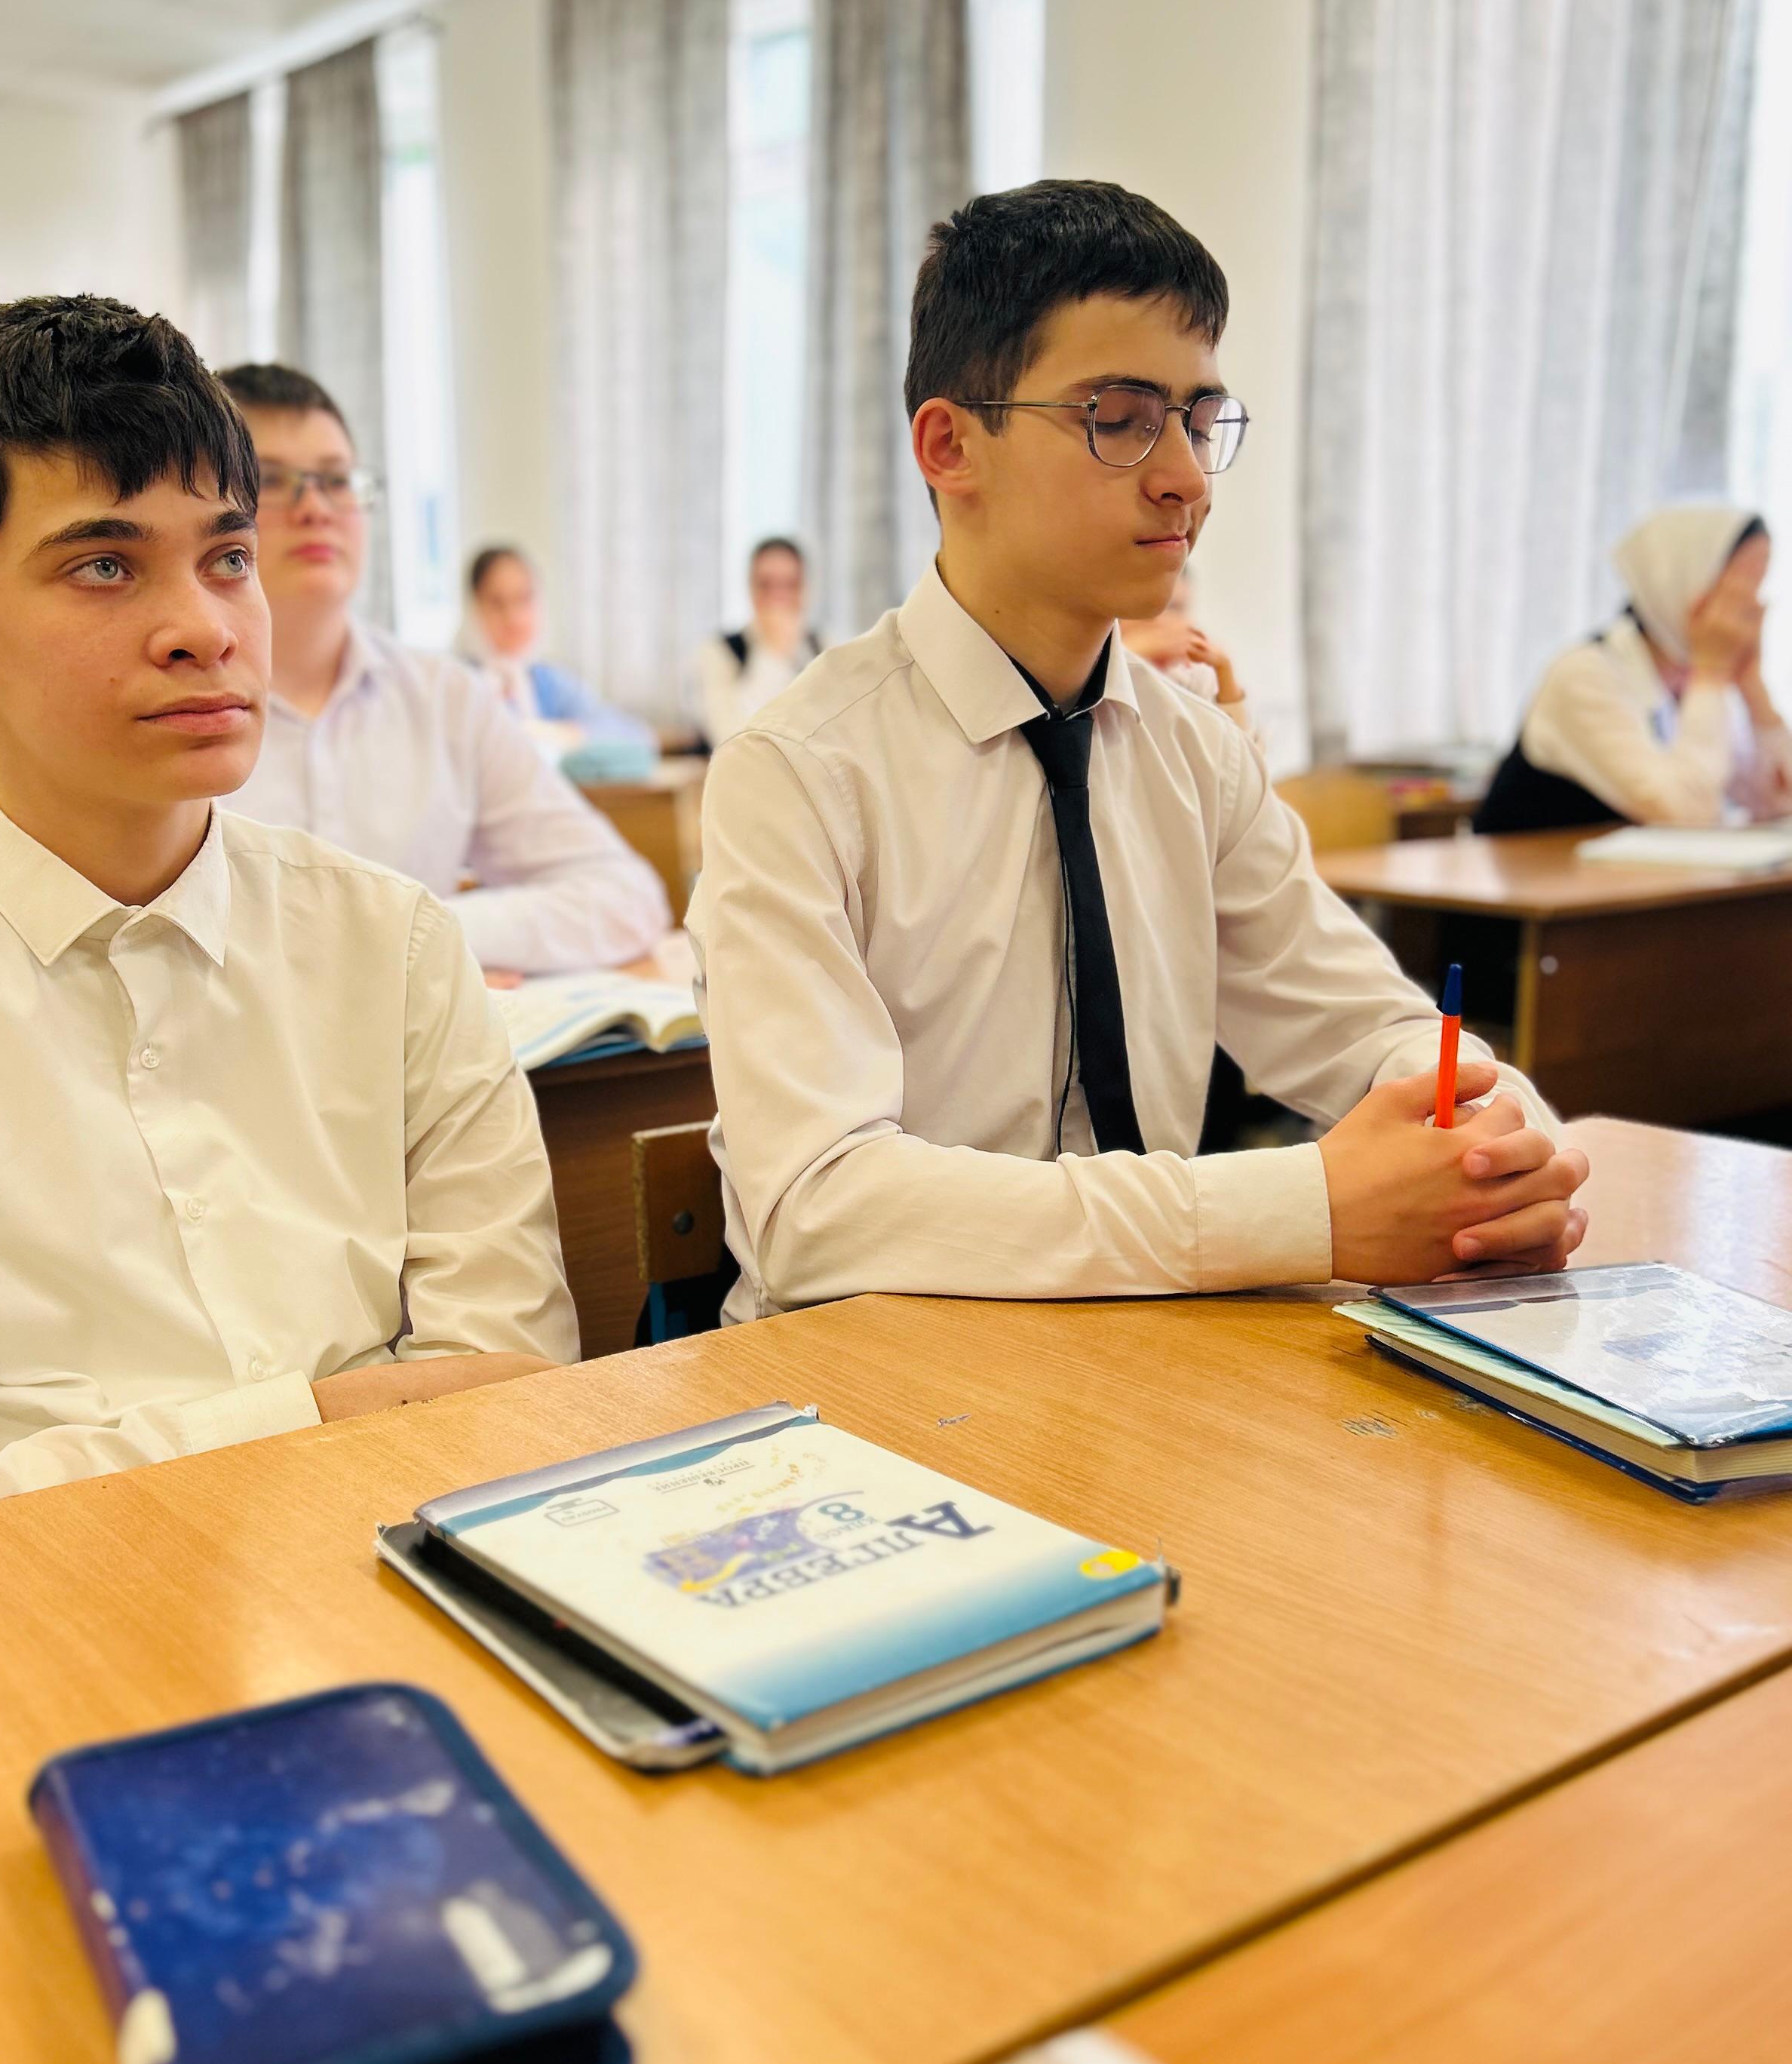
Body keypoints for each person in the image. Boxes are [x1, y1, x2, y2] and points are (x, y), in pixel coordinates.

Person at [0, 296, 576, 1562]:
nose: (206, 628)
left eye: (228, 557)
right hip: (18, 1645)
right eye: (104, 565)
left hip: (413, 1609)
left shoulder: (397, 948)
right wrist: (324, 1415)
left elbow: (510, 1399)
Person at [689, 180, 1588, 1322]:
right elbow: (820, 1210)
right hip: (872, 1379)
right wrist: (1300, 1207)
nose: (1187, 477)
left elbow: (1375, 1029)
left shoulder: (1194, 754)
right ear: (951, 445)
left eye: (1199, 419)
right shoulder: (798, 770)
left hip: (1149, 1355)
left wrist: (1502, 1157)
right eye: (1118, 417)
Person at [213, 364, 670, 975]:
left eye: (337, 480)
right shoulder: (166, 701)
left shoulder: (445, 699)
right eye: (271, 480)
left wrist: (428, 938)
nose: (316, 506)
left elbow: (626, 897)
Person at [1475, 506, 1792, 832]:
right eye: (1738, 592)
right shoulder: (1585, 674)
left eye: (1758, 590)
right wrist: (1711, 672)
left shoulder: (1692, 681)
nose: (1753, 608)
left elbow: (1778, 802)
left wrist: (1753, 686)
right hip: (1534, 863)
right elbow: (1688, 814)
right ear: (1682, 585)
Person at [459, 544, 655, 753]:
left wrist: (559, 733)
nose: (513, 617)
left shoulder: (547, 682)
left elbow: (635, 735)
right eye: (497, 603)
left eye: (523, 599)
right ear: (474, 606)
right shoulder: (458, 681)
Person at [692, 536, 823, 748]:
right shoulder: (719, 653)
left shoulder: (824, 648)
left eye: (790, 585)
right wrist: (775, 652)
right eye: (766, 585)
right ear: (751, 588)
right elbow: (729, 739)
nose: (779, 596)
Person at [1119, 564, 1256, 744]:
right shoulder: (1092, 664)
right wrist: (1128, 654)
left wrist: (1225, 672)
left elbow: (1241, 756)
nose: (1161, 620)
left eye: (1174, 608)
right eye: (1148, 608)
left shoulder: (1196, 671)